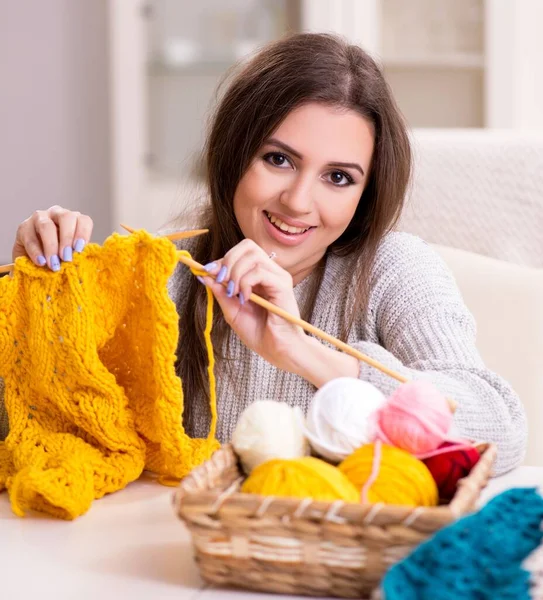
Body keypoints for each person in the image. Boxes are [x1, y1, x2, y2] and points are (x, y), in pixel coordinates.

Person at [2, 33, 526, 475]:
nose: (298, 202)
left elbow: (498, 429)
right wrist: (37, 306)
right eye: (278, 159)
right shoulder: (163, 273)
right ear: (235, 154)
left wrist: (301, 352)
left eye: (338, 177)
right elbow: (42, 427)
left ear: (365, 193)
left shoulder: (394, 269)